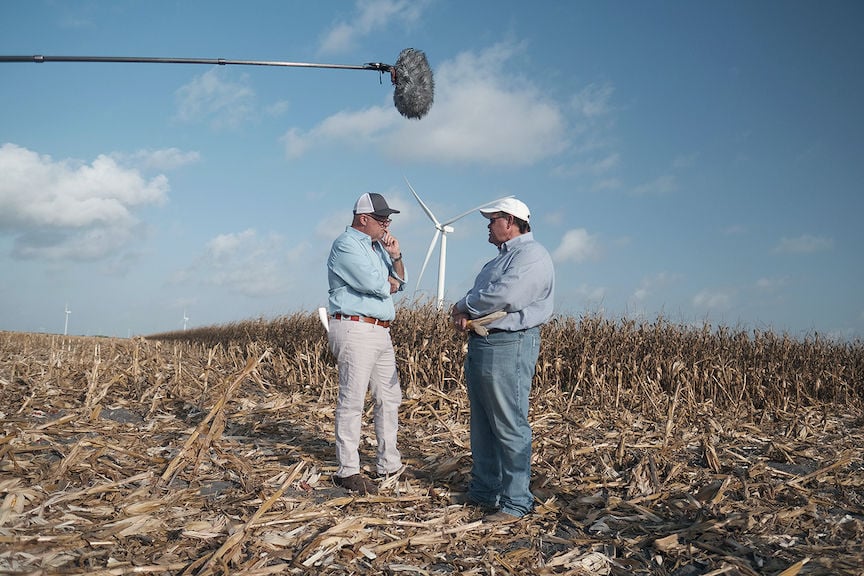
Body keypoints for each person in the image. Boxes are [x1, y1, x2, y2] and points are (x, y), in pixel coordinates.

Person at [450, 197, 554, 522]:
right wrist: (467, 310)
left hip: (510, 344)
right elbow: (483, 302)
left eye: (492, 219)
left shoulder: (532, 256)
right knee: (483, 424)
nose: (488, 226)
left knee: (509, 424)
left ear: (509, 221)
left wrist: (463, 305)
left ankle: (516, 502)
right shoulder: (498, 261)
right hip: (484, 344)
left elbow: (505, 297)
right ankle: (484, 490)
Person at [326, 192, 408, 494]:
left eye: (388, 219)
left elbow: (400, 281)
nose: (387, 224)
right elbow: (376, 285)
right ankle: (348, 470)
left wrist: (396, 257)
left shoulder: (378, 248)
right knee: (353, 399)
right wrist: (391, 282)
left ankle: (389, 464)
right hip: (354, 326)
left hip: (380, 329)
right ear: (363, 219)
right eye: (382, 218)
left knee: (389, 397)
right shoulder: (345, 245)